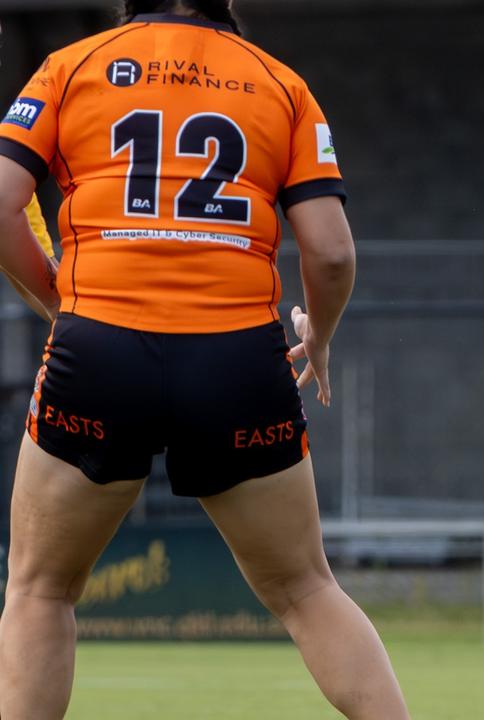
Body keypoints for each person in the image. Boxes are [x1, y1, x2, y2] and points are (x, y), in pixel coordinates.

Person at [0, 2, 410, 718]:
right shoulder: (280, 84)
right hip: (237, 360)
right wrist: (321, 336)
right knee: (306, 590)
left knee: (40, 589)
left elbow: (1, 204)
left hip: (100, 349)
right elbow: (333, 252)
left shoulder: (71, 67)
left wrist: (61, 304)